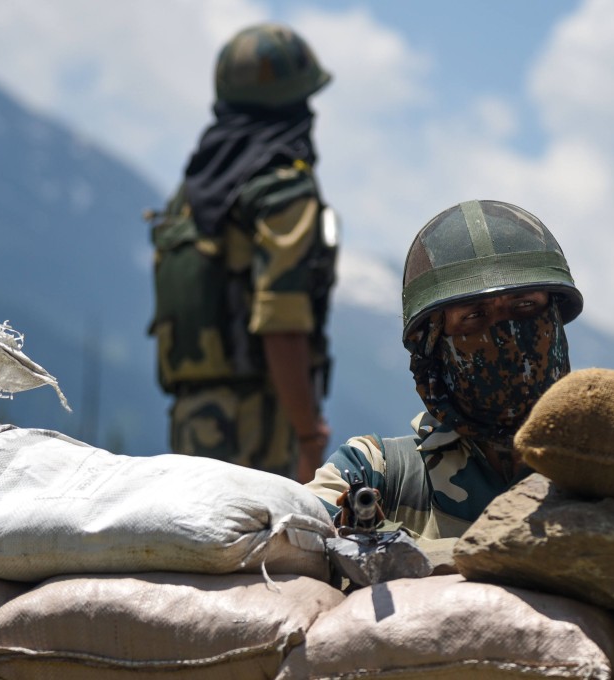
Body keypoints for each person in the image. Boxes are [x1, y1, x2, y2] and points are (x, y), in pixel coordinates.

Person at [306, 199, 583, 538]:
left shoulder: (609, 466)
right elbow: (292, 533)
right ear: (433, 348)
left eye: (524, 307)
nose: (505, 334)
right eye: (473, 317)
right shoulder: (373, 470)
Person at [147, 23, 337, 482]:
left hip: (192, 417)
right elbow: (282, 323)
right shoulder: (281, 189)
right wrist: (309, 436)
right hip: (261, 423)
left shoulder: (192, 191)